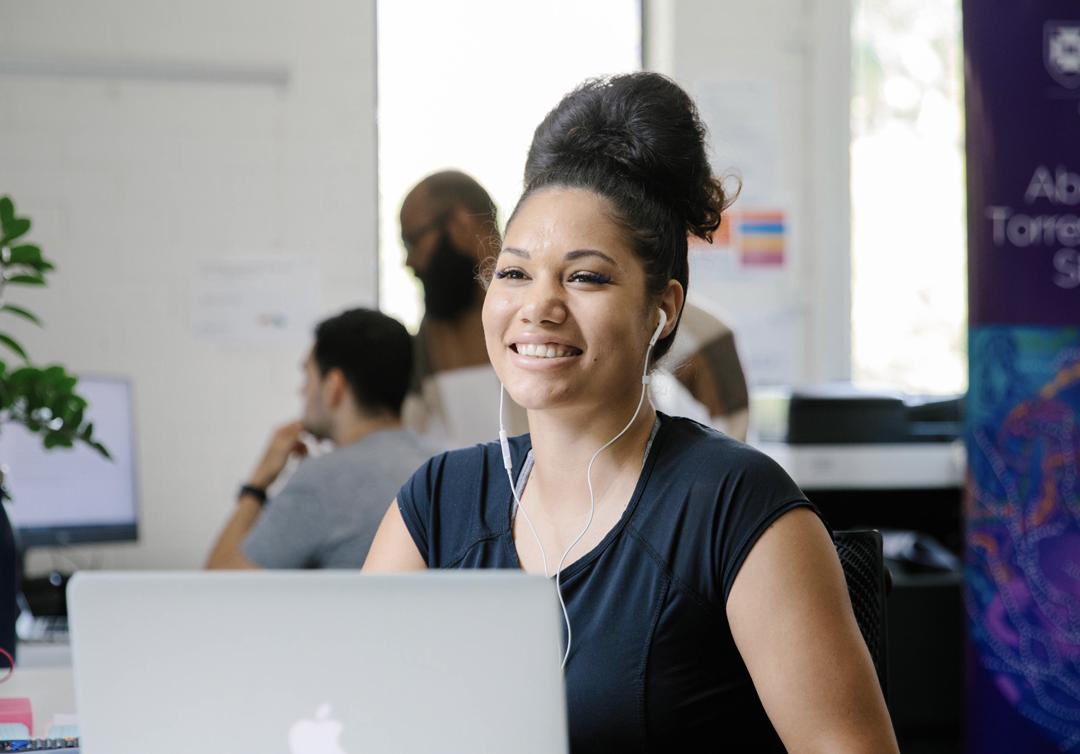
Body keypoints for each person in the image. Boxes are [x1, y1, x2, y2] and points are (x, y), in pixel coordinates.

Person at [365, 73, 898, 752]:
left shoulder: (734, 506)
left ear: (663, 308)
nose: (539, 306)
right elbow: (358, 716)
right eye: (516, 272)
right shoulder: (436, 505)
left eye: (585, 276)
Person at [206, 308, 431, 570]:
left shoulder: (322, 481)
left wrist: (257, 484)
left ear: (334, 387)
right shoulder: (439, 463)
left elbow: (219, 583)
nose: (301, 390)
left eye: (307, 376)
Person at [398, 170, 528, 446]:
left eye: (413, 240)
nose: (409, 261)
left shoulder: (538, 311)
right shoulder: (423, 346)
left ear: (460, 223)